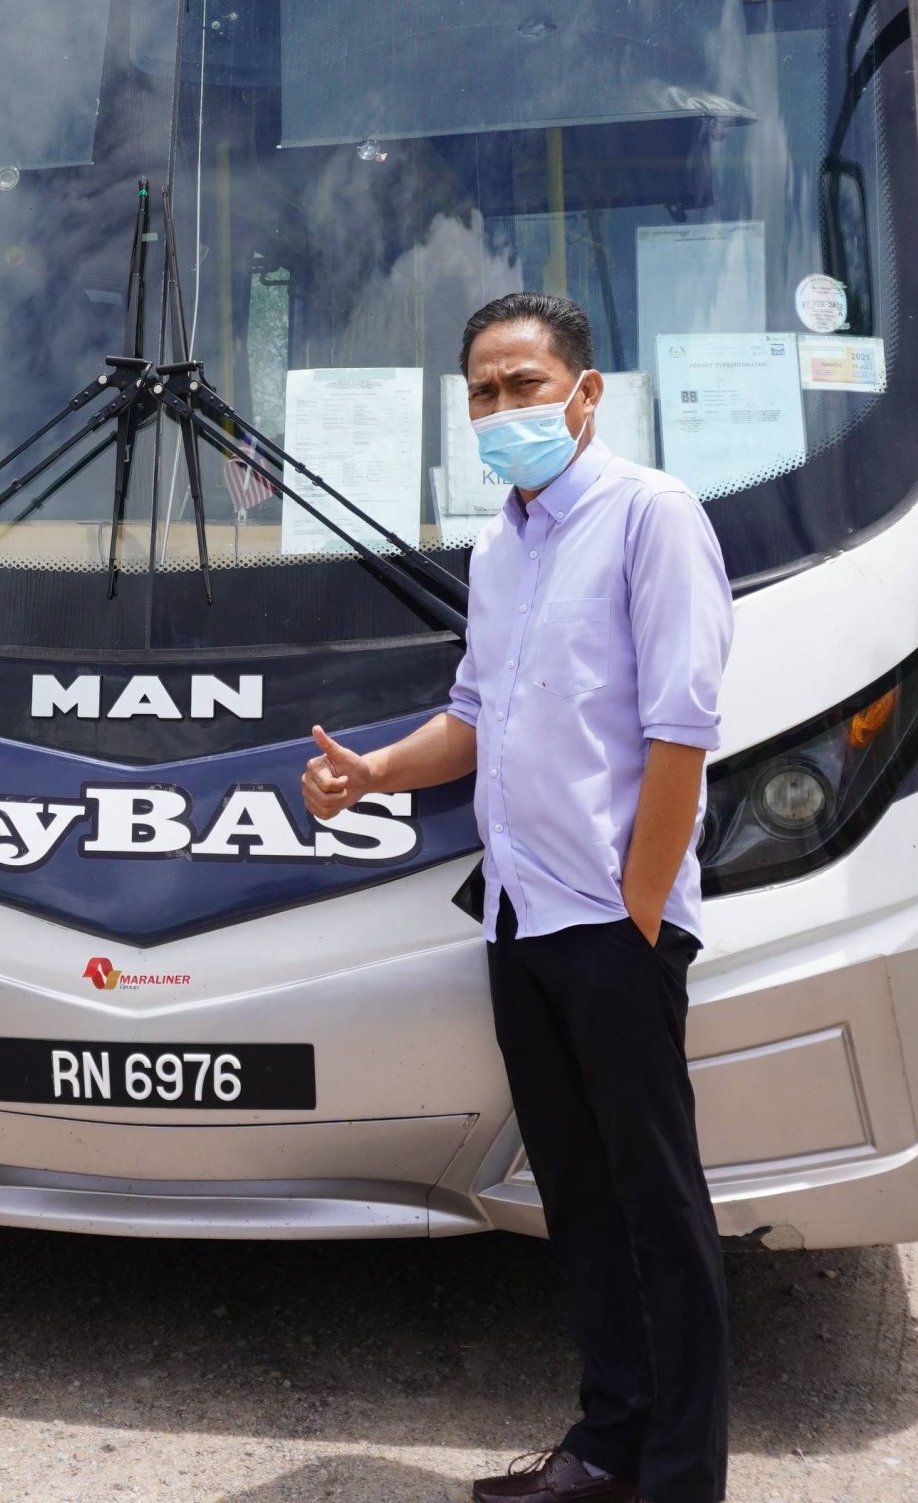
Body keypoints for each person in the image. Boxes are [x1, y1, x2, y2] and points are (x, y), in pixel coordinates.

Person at [303, 292, 734, 1503]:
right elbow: (479, 715)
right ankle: (606, 1447)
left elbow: (680, 733)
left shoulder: (653, 518)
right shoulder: (499, 542)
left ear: (584, 394)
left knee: (658, 1208)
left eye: (523, 386)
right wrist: (374, 772)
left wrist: (640, 915)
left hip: (609, 925)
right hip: (517, 920)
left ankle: (680, 1480)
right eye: (482, 393)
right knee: (581, 1202)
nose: (501, 410)